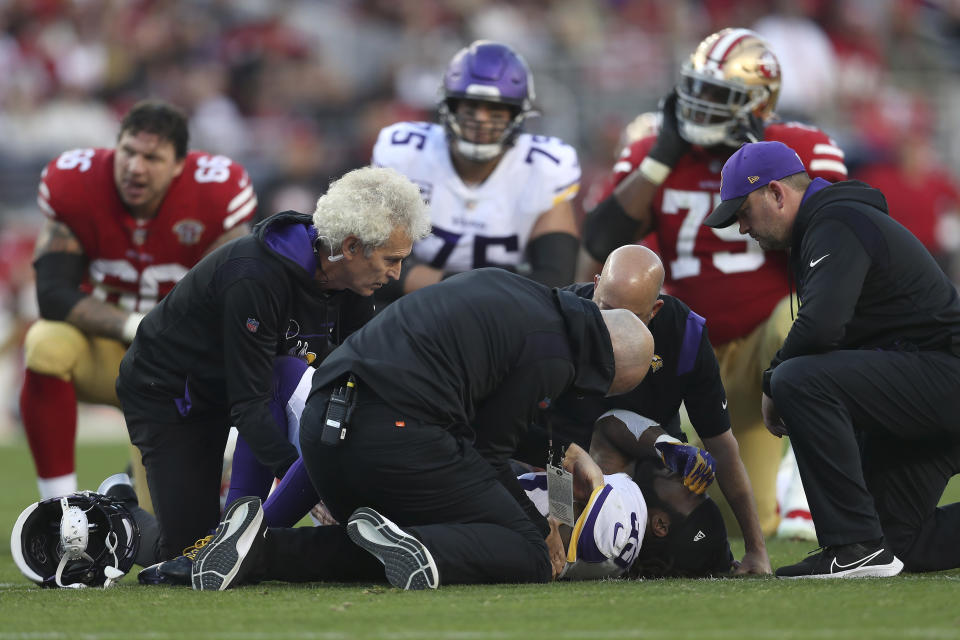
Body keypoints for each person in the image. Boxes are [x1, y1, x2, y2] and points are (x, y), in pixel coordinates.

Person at [186, 268, 664, 590]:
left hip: (328, 426)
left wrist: (562, 457)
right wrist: (545, 532)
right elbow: (490, 452)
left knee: (391, 540)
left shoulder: (518, 294)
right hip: (393, 433)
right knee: (526, 553)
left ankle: (260, 547)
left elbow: (500, 424)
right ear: (605, 365)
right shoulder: (554, 354)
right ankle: (424, 545)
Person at [581, 27, 849, 542]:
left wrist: (762, 159)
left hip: (766, 346)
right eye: (695, 90)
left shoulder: (799, 147)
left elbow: (838, 245)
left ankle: (811, 469)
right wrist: (660, 156)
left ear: (756, 102)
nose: (699, 106)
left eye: (717, 96)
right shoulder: (654, 151)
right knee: (740, 523)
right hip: (692, 354)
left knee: (806, 314)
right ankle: (784, 478)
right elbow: (600, 240)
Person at [115, 165, 431, 565]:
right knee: (184, 550)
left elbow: (353, 371)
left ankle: (241, 538)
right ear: (351, 247)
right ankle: (119, 508)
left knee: (214, 549)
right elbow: (248, 403)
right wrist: (302, 484)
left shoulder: (351, 278)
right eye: (391, 259)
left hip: (251, 385)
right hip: (172, 394)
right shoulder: (254, 276)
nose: (396, 273)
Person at [706, 140, 960, 578]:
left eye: (743, 212)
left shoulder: (837, 219)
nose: (742, 228)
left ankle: (853, 546)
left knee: (796, 378)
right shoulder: (830, 224)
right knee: (901, 541)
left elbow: (822, 328)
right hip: (925, 385)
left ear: (776, 194)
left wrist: (771, 381)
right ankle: (869, 545)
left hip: (943, 376)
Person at [21, 100, 256, 507]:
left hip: (174, 370)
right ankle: (57, 508)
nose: (135, 167)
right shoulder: (76, 183)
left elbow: (235, 302)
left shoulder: (216, 194)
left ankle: (136, 489)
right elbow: (53, 295)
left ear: (179, 165)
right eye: (128, 152)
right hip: (105, 348)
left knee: (164, 533)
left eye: (152, 157)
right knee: (46, 342)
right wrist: (135, 326)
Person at [540, 244, 769, 574]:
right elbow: (551, 438)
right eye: (604, 309)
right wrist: (556, 520)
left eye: (628, 317)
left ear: (655, 311)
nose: (611, 328)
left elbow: (722, 443)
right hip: (565, 462)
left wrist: (756, 549)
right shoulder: (558, 319)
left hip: (651, 463)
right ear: (595, 284)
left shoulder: (685, 335)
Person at [373, 40, 580, 302]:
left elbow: (555, 280)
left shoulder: (545, 166)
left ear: (517, 114)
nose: (481, 119)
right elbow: (377, 267)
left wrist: (437, 282)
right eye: (470, 106)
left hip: (507, 321)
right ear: (449, 106)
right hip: (413, 309)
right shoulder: (406, 152)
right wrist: (496, 285)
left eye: (495, 109)